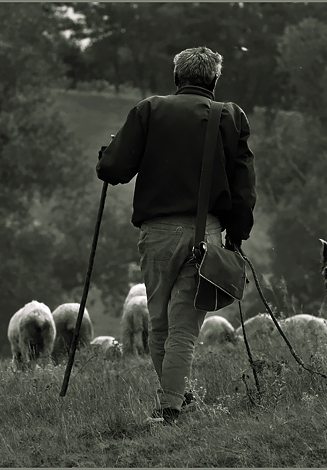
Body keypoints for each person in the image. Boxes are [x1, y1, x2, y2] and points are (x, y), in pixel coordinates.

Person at [96, 46, 257, 425]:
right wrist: (237, 235)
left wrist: (106, 154)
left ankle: (174, 404)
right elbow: (244, 187)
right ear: (214, 81)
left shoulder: (148, 110)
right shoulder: (230, 117)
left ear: (176, 77)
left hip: (158, 235)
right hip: (208, 234)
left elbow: (114, 168)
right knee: (183, 328)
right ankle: (174, 406)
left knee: (159, 324)